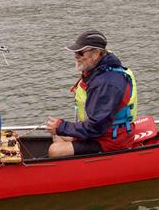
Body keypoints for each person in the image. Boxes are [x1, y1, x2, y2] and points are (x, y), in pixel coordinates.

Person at [46, 30, 138, 158]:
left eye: (80, 52)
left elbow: (96, 127)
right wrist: (60, 128)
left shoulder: (107, 83)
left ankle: (76, 167)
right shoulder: (98, 70)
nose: (75, 56)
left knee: (54, 150)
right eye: (75, 52)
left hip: (112, 139)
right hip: (102, 132)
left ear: (95, 54)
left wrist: (61, 126)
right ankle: (74, 159)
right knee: (56, 133)